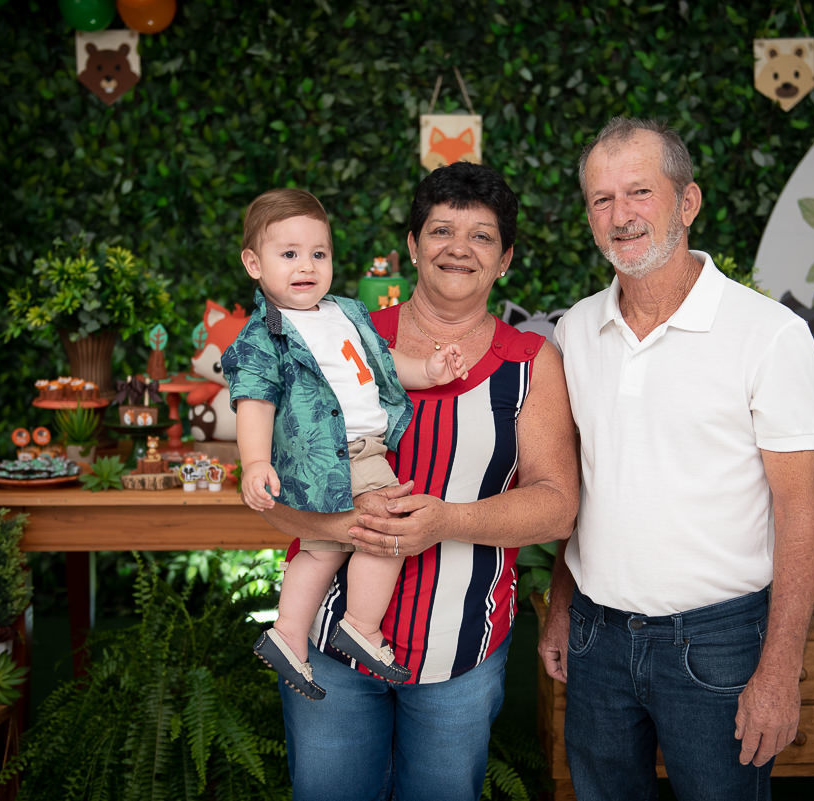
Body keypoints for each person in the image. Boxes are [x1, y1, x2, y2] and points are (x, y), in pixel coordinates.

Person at [250, 162, 578, 801]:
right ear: (413, 245)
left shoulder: (530, 363)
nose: (459, 248)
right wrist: (345, 523)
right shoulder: (341, 334)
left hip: (461, 648)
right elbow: (276, 489)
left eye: (482, 236)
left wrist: (447, 521)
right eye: (441, 230)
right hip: (329, 649)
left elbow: (557, 508)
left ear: (506, 259)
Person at [538, 117, 814, 800]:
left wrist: (780, 670)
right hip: (597, 637)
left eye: (639, 192)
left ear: (687, 202)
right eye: (602, 199)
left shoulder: (769, 335)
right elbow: (580, 486)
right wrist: (561, 604)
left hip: (719, 642)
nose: (621, 215)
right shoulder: (575, 330)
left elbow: (799, 511)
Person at [224, 188, 470, 700]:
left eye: (319, 253)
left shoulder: (345, 312)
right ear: (254, 264)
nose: (306, 266)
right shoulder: (264, 336)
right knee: (391, 530)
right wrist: (254, 462)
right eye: (288, 254)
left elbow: (381, 363)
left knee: (321, 551)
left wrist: (427, 370)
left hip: (360, 449)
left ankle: (288, 634)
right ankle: (360, 625)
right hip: (336, 453)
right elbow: (255, 401)